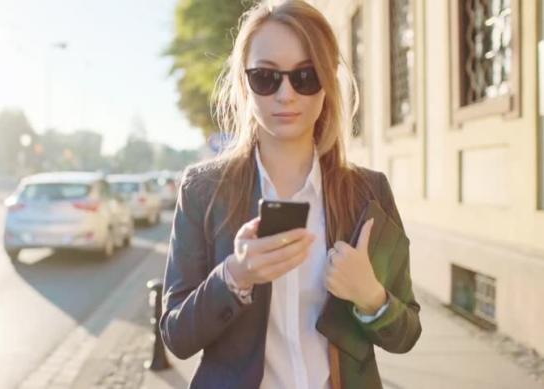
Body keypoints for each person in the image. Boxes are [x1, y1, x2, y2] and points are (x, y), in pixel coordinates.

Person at [159, 1, 421, 388]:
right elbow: (176, 336)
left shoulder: (369, 192)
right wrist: (235, 275)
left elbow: (406, 335)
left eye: (306, 76)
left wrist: (371, 297)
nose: (286, 94)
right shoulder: (203, 190)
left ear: (328, 82)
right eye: (266, 77)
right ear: (244, 83)